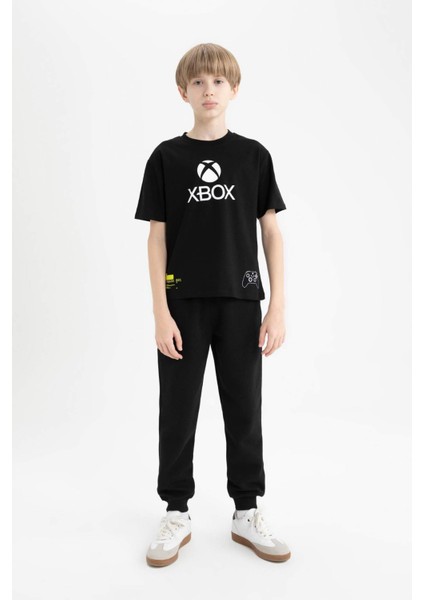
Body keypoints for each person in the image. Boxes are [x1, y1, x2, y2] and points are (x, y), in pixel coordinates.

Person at [135, 43, 291, 567]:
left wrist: (277, 306)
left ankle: (246, 511)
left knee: (244, 408)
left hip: (241, 301)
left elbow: (271, 233)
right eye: (198, 82)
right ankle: (176, 512)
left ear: (234, 89)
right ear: (183, 92)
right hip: (182, 303)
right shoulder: (166, 158)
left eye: (218, 82)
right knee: (178, 410)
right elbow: (157, 238)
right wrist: (160, 312)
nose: (209, 91)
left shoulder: (253, 156)